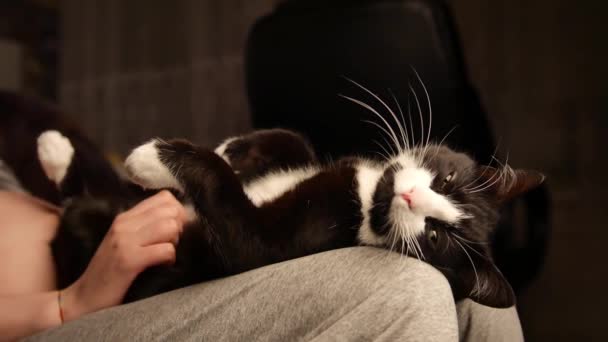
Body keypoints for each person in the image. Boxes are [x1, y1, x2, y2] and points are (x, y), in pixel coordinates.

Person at [0, 161, 524, 342]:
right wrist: (68, 304)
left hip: (100, 274)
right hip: (64, 313)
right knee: (408, 294)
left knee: (477, 305)